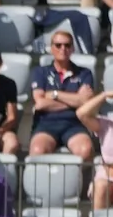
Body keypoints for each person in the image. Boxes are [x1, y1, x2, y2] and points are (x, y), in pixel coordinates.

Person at [28, 29, 97, 158]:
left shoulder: (84, 73)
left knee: (86, 150)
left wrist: (55, 94)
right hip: (45, 123)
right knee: (37, 151)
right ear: (51, 48)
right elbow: (40, 103)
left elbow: (86, 102)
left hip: (74, 124)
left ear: (73, 49)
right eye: (58, 45)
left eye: (67, 45)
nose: (63, 49)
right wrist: (76, 101)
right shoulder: (40, 72)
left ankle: (84, 174)